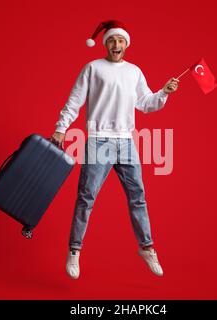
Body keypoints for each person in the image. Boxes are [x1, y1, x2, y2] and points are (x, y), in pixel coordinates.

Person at [50, 20, 179, 279]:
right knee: (87, 197)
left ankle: (146, 247)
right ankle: (74, 250)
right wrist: (62, 127)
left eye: (120, 41)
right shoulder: (93, 68)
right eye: (111, 40)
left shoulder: (134, 72)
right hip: (99, 140)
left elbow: (145, 103)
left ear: (126, 45)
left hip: (126, 141)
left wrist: (164, 92)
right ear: (105, 43)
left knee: (138, 197)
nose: (116, 45)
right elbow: (75, 100)